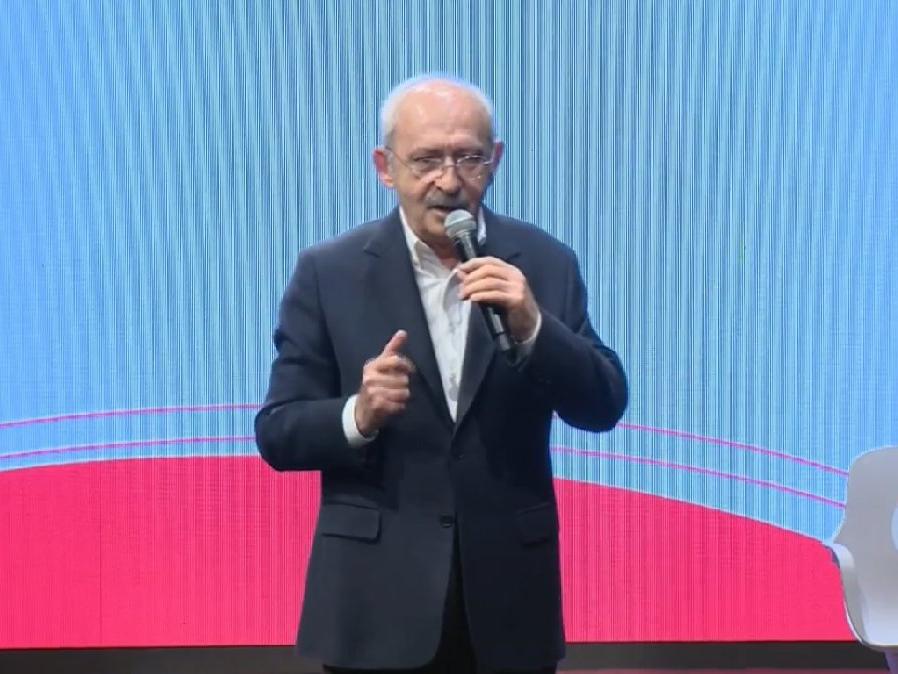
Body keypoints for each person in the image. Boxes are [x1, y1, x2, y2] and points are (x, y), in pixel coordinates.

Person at [255, 75, 628, 674]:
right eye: (427, 160)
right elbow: (278, 431)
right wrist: (358, 415)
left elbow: (603, 404)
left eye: (469, 158)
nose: (450, 182)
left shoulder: (543, 262)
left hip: (510, 604)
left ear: (495, 159)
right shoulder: (330, 272)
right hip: (375, 604)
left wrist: (535, 328)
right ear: (385, 167)